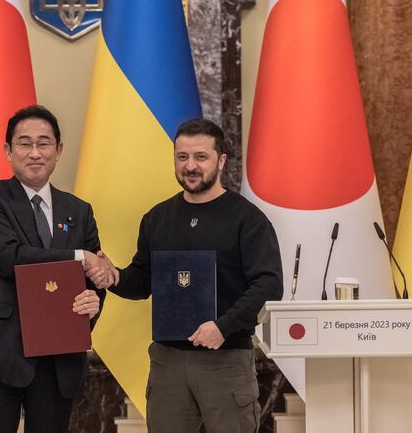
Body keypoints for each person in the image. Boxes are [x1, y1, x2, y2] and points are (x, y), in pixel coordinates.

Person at [87, 118, 283, 433]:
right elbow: (143, 281)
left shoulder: (247, 219)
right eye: (182, 157)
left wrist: (223, 327)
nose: (190, 166)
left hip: (227, 358)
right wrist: (116, 277)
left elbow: (269, 285)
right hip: (168, 363)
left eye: (200, 157)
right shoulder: (157, 218)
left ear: (220, 160)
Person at [0, 105, 108, 433]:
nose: (35, 152)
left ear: (58, 150)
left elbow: (93, 277)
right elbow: (8, 258)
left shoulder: (79, 210)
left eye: (44, 143)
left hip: (59, 360)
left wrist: (93, 303)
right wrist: (78, 255)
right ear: (8, 151)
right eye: (24, 144)